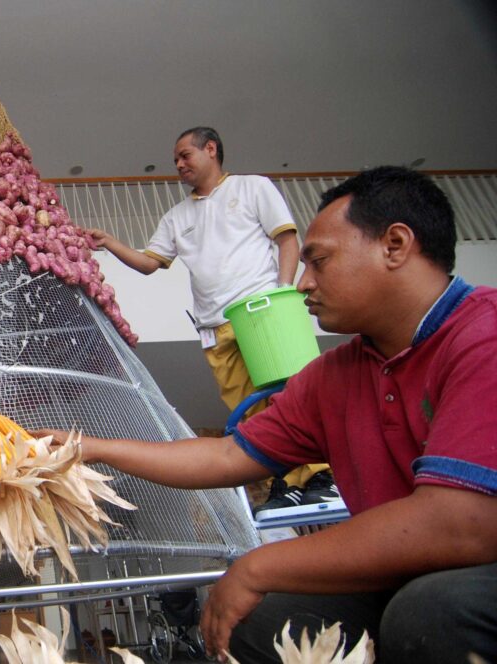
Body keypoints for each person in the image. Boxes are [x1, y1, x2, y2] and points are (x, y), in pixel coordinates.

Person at [47, 167, 497, 662]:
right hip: (401, 581)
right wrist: (83, 446)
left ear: (395, 245)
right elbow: (227, 453)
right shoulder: (334, 376)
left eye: (319, 261)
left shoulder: (482, 336)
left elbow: (462, 523)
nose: (304, 284)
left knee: (431, 612)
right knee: (255, 623)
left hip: (472, 573)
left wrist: (259, 565)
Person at [87, 127, 335, 511]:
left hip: (259, 311)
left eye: (185, 155)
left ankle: (320, 475)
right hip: (212, 328)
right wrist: (110, 243)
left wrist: (281, 294)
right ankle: (284, 481)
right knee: (251, 412)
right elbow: (150, 264)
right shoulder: (176, 217)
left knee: (289, 395)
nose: (179, 165)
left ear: (212, 149)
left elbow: (287, 240)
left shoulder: (252, 188)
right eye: (176, 160)